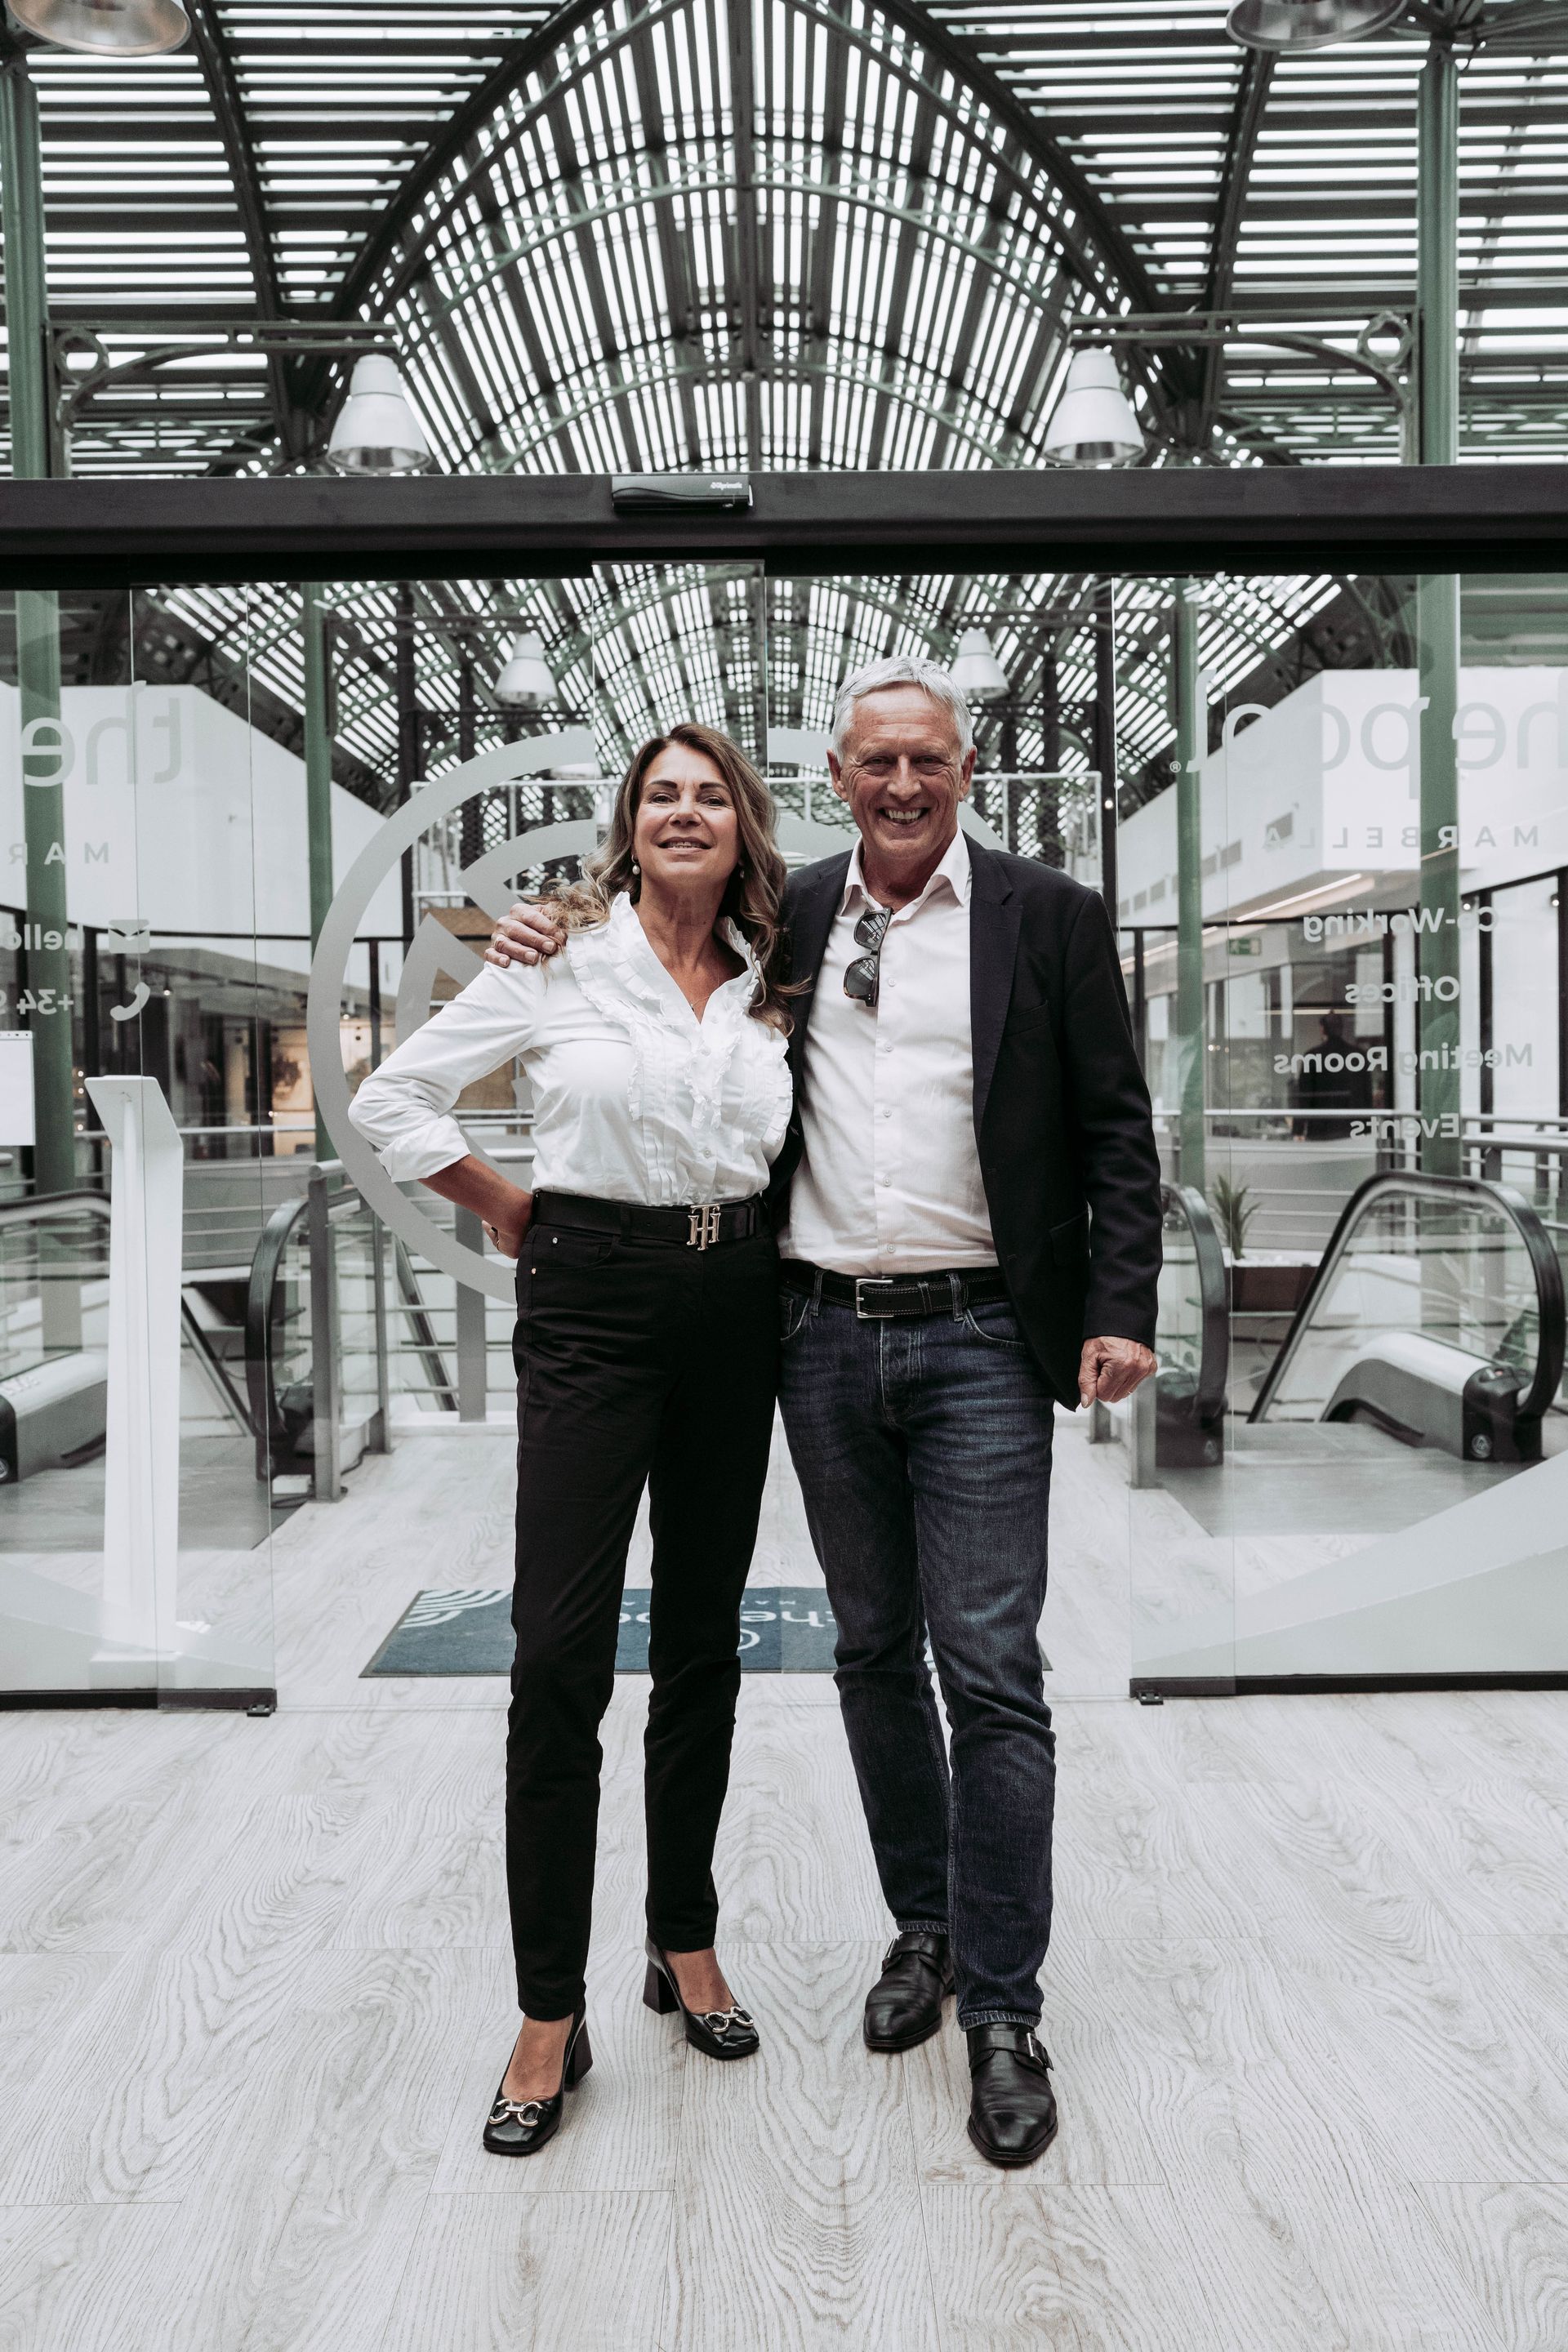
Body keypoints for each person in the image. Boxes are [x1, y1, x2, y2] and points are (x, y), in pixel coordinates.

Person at [488, 657, 1162, 2169]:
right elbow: (651, 958)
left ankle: (1004, 2008)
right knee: (870, 1651)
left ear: (965, 770)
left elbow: (1117, 1127)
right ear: (841, 779)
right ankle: (924, 1927)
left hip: (985, 1333)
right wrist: (546, 926)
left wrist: (1120, 1302)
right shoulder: (782, 919)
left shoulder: (1049, 916)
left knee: (992, 1669)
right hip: (815, 1332)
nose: (903, 784)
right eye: (877, 763)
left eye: (928, 759)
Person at [350, 723, 794, 2159]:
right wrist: (507, 1206)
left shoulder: (778, 975)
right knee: (557, 1652)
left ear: (742, 824)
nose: (685, 813)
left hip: (740, 1298)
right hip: (591, 1296)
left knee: (705, 1641)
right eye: (661, 795)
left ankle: (683, 1939)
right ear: (630, 822)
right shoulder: (560, 960)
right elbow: (392, 1096)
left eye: (709, 795)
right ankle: (549, 2009)